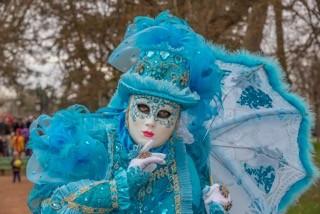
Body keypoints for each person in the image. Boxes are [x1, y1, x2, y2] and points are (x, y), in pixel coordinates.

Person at [27, 11, 316, 214]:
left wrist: (215, 206)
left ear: (179, 118)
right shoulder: (100, 143)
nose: (151, 120)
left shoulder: (187, 156)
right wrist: (122, 184)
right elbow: (54, 206)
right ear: (128, 105)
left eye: (165, 113)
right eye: (143, 108)